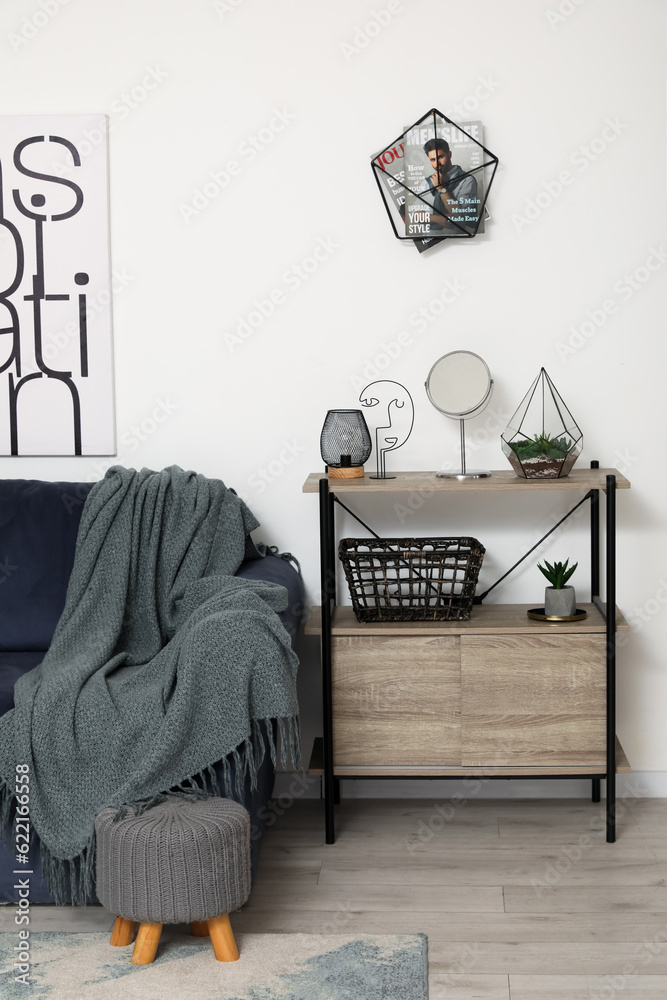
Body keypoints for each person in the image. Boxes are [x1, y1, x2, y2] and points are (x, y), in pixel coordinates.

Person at [422, 137, 480, 233]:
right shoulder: (427, 182)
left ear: (449, 154)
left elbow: (461, 216)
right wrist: (437, 219)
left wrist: (441, 188)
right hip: (430, 239)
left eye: (440, 157)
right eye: (432, 159)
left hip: (457, 239)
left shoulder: (467, 180)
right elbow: (415, 215)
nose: (437, 163)